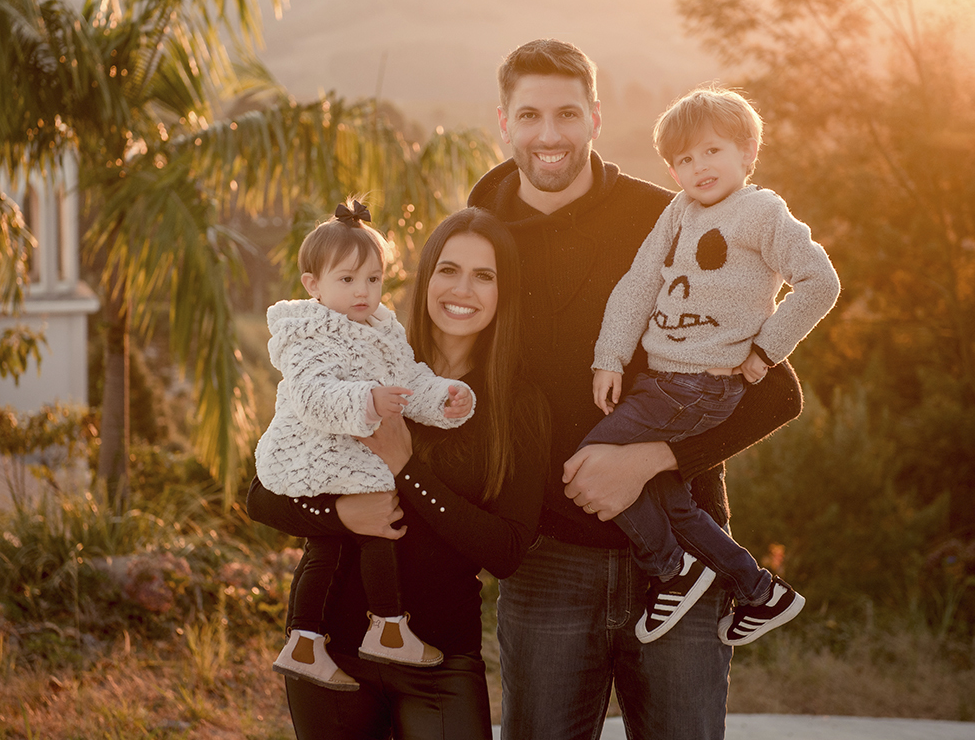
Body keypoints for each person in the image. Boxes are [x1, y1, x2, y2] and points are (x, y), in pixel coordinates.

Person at [468, 38, 807, 740]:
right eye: (529, 115)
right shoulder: (480, 236)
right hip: (545, 563)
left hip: (686, 555)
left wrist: (649, 460)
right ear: (503, 123)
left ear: (595, 117)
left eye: (567, 113)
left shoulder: (675, 215)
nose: (549, 135)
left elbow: (776, 393)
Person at [247, 207, 550, 739]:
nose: (463, 289)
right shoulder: (355, 354)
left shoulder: (513, 402)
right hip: (334, 653)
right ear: (426, 276)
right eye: (448, 270)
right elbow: (261, 497)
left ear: (506, 291)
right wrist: (341, 513)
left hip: (441, 659)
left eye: (485, 275)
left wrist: (405, 468)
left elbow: (505, 551)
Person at [581, 84, 840, 647]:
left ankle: (671, 570)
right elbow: (640, 285)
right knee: (671, 495)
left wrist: (766, 350)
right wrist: (610, 358)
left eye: (712, 151)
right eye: (684, 159)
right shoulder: (678, 212)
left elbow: (821, 282)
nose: (698, 166)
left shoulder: (761, 212)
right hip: (660, 381)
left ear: (748, 153)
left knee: (590, 461)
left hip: (701, 387)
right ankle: (759, 590)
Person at [256, 200, 476, 690]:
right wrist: (367, 400)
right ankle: (387, 627)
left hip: (349, 442)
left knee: (332, 542)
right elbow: (314, 397)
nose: (363, 292)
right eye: (348, 280)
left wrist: (444, 397)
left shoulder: (382, 329)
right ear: (313, 284)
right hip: (310, 446)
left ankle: (307, 641)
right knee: (374, 506)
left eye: (373, 280)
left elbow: (406, 382)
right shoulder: (308, 334)